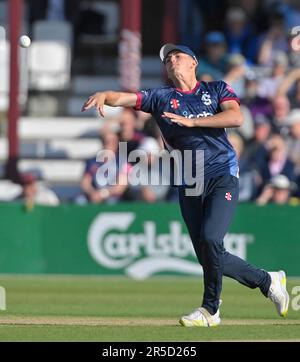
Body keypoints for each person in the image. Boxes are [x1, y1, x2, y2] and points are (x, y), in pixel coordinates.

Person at [81, 43, 289, 327]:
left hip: (221, 174)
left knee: (212, 240)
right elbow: (126, 98)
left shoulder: (215, 89)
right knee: (208, 255)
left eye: (177, 56)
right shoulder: (161, 97)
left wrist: (194, 123)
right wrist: (107, 95)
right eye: (167, 60)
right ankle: (268, 280)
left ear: (193, 62)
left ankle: (210, 310)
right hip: (188, 181)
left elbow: (236, 117)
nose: (171, 61)